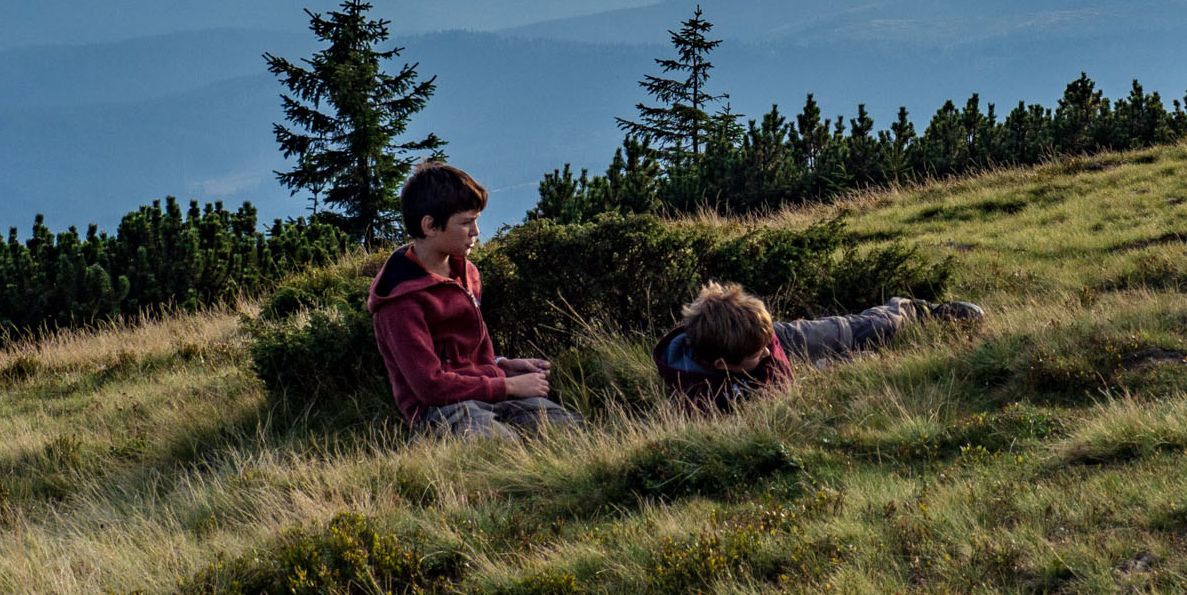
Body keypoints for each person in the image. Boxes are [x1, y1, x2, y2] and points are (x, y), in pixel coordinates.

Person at [368, 162, 582, 437]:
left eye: (476, 220)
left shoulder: (466, 272)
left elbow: (465, 355)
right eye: (466, 222)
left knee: (568, 431)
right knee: (501, 449)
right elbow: (430, 387)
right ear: (430, 225)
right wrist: (508, 386)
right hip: (439, 411)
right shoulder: (399, 302)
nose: (477, 232)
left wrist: (503, 365)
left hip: (486, 393)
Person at [653, 281, 984, 412]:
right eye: (759, 355)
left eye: (764, 348)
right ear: (722, 365)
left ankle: (913, 310)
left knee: (857, 329)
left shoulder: (758, 343)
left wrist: (763, 347)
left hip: (785, 335)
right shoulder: (691, 391)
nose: (766, 354)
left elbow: (777, 369)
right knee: (842, 358)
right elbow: (779, 393)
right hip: (745, 347)